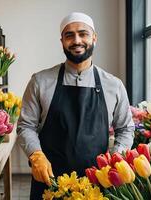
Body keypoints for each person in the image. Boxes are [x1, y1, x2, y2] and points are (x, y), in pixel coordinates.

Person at [17, 12, 134, 199]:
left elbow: (126, 128)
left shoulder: (114, 85)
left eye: (83, 33)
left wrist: (115, 160)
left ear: (94, 38)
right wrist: (36, 155)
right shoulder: (40, 81)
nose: (76, 40)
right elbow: (26, 125)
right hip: (49, 181)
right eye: (69, 35)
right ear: (62, 40)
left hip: (96, 183)